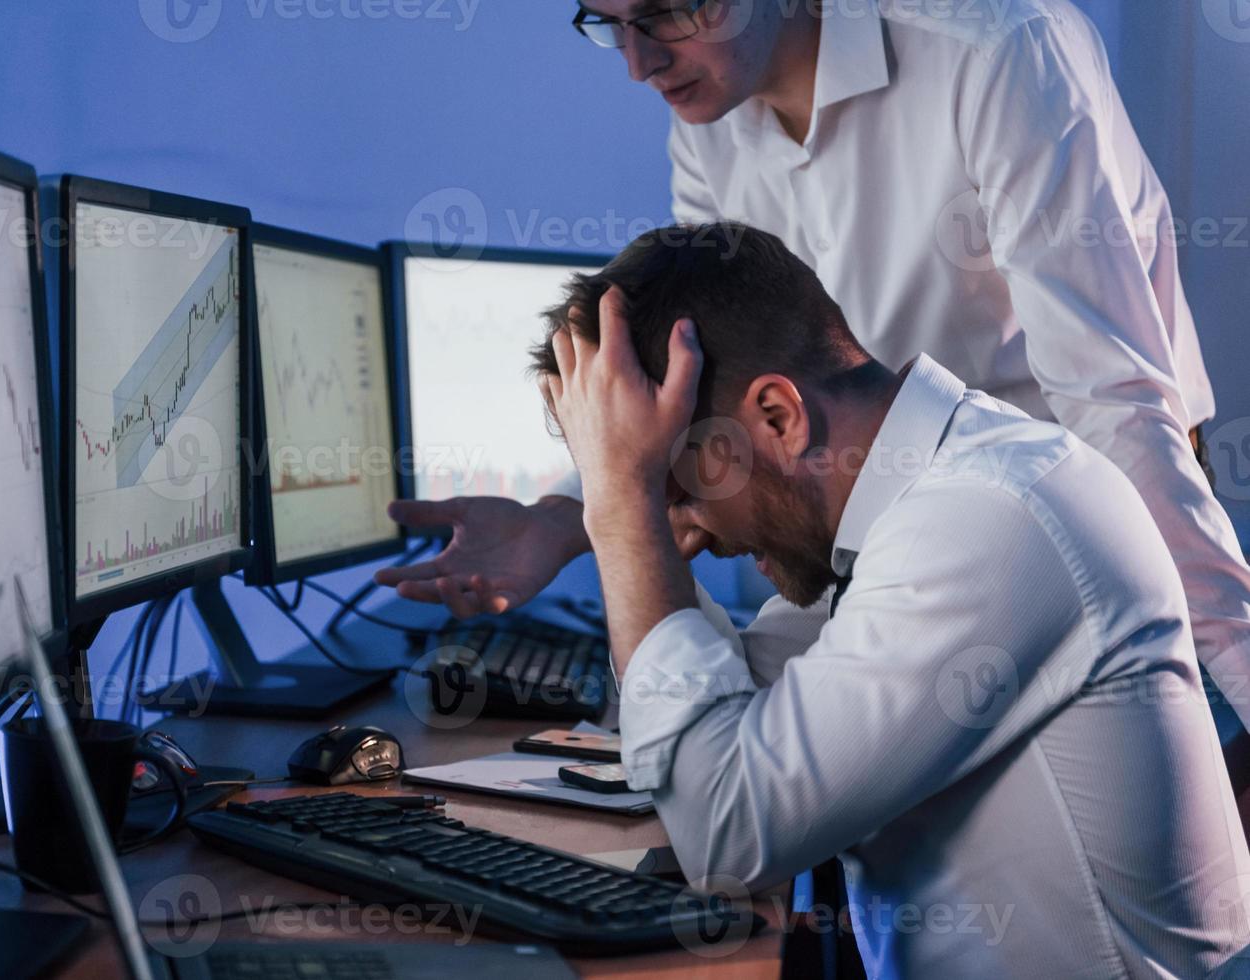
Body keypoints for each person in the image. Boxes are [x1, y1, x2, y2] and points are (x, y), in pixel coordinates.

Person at [375, 0, 1250, 738]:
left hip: (1077, 520)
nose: (640, 64)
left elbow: (1116, 409)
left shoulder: (996, 46)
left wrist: (1237, 672)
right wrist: (566, 518)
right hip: (875, 538)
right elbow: (698, 392)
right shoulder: (710, 127)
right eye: (607, 24)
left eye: (669, 12)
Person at [525, 221, 1250, 976]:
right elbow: (719, 724)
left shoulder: (984, 517)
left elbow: (727, 831)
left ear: (777, 416)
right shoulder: (900, 503)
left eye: (678, 490)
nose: (692, 532)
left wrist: (621, 517)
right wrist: (638, 522)